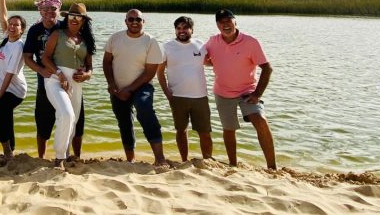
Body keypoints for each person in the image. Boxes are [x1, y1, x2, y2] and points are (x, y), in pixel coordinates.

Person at [205, 9, 276, 170]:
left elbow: (267, 68)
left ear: (235, 22)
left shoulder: (251, 42)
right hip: (222, 93)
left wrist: (257, 94)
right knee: (229, 129)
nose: (225, 25)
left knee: (261, 121)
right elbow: (201, 57)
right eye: (221, 22)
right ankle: (233, 165)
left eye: (228, 21)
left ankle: (272, 167)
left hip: (247, 92)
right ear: (217, 25)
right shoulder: (212, 42)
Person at [23, 0, 86, 159]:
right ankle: (41, 157)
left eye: (53, 8)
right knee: (44, 122)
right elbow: (27, 57)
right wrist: (41, 70)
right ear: (40, 11)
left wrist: (84, 71)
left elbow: (80, 50)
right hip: (46, 81)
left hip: (70, 81)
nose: (49, 12)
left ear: (59, 10)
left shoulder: (64, 27)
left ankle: (74, 156)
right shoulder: (34, 30)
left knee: (75, 120)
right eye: (45, 9)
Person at [102, 9, 167, 165]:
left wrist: (129, 89)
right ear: (126, 22)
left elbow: (150, 72)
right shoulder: (115, 38)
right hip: (118, 88)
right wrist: (112, 84)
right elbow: (106, 62)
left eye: (138, 19)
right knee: (124, 122)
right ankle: (130, 159)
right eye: (131, 19)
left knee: (145, 110)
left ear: (143, 22)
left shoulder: (150, 41)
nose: (134, 22)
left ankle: (160, 158)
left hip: (142, 86)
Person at [41, 3, 96, 169]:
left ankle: (65, 154)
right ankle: (59, 159)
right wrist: (59, 74)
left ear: (84, 21)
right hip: (55, 80)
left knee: (73, 120)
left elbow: (90, 67)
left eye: (78, 17)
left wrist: (87, 75)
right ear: (67, 18)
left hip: (76, 84)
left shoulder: (86, 40)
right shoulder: (57, 34)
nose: (74, 20)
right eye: (71, 17)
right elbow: (45, 58)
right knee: (67, 114)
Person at [156, 16, 213, 162]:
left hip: (200, 96)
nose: (181, 31)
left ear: (191, 30)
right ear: (175, 30)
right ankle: (184, 160)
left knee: (205, 132)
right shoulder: (166, 47)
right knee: (181, 130)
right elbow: (160, 72)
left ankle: (207, 160)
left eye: (185, 28)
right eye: (178, 28)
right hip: (178, 96)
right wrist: (168, 93)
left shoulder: (200, 45)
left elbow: (210, 63)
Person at [0, 0, 28, 159]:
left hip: (14, 90)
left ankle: (7, 151)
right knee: (6, 117)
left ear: (22, 30)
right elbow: (3, 16)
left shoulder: (18, 46)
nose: (11, 26)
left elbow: (10, 74)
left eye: (16, 25)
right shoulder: (7, 38)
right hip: (2, 87)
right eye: (11, 24)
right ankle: (11, 149)